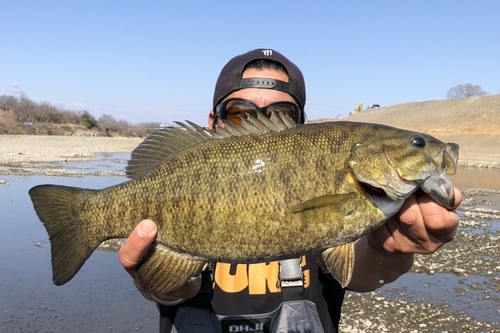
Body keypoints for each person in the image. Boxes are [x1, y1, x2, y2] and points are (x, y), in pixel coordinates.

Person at [119, 49, 462, 332]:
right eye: (240, 113)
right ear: (213, 122)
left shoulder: (349, 188)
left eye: (281, 113)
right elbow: (166, 289)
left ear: (300, 124)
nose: (258, 124)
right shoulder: (182, 169)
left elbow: (363, 270)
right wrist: (169, 283)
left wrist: (392, 251)